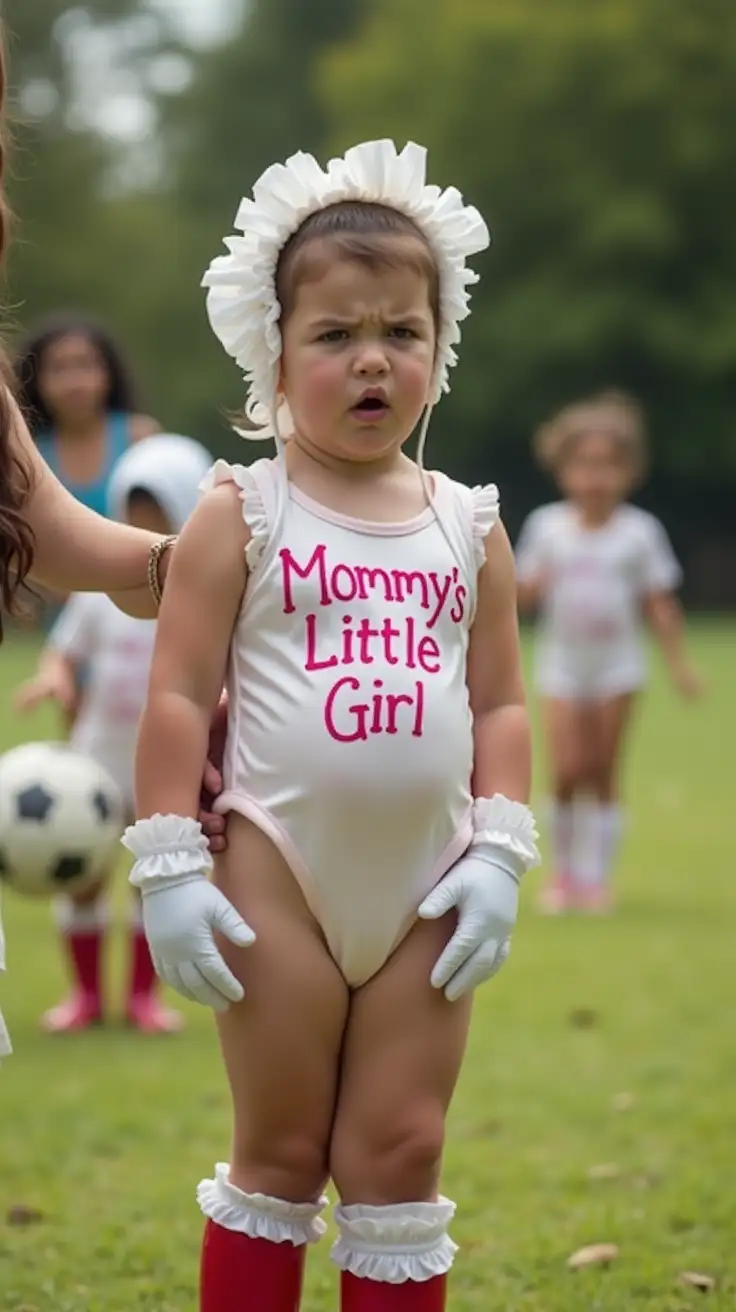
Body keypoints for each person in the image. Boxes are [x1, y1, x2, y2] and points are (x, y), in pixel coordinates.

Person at [122, 140, 540, 1312]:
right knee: (282, 1151)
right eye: (335, 335)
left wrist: (501, 855)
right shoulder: (241, 511)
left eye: (401, 332)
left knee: (401, 1151)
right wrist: (167, 866)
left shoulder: (471, 523)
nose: (371, 360)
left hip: (429, 889)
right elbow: (172, 690)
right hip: (276, 876)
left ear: (437, 348)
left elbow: (502, 699)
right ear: (275, 349)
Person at [0, 27, 224, 1064]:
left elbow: (70, 541)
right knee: (90, 862)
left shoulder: (133, 453)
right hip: (95, 735)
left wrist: (203, 573)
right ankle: (90, 989)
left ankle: (131, 993)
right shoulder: (41, 437)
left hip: (154, 743)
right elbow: (75, 609)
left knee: (145, 862)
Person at [14, 434, 213, 1034]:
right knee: (84, 881)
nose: (143, 528)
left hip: (162, 765)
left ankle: (143, 998)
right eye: (134, 512)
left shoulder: (202, 595)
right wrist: (55, 681)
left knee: (154, 880)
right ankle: (85, 996)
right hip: (96, 761)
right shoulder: (103, 596)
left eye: (158, 514)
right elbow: (62, 654)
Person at [515, 389, 702, 914]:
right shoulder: (547, 528)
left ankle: (596, 880)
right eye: (584, 464)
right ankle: (563, 877)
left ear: (628, 471)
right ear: (563, 468)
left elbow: (659, 604)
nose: (595, 477)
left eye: (608, 465)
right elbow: (523, 593)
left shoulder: (639, 534)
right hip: (562, 666)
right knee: (567, 768)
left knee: (602, 770)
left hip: (618, 668)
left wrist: (679, 666)